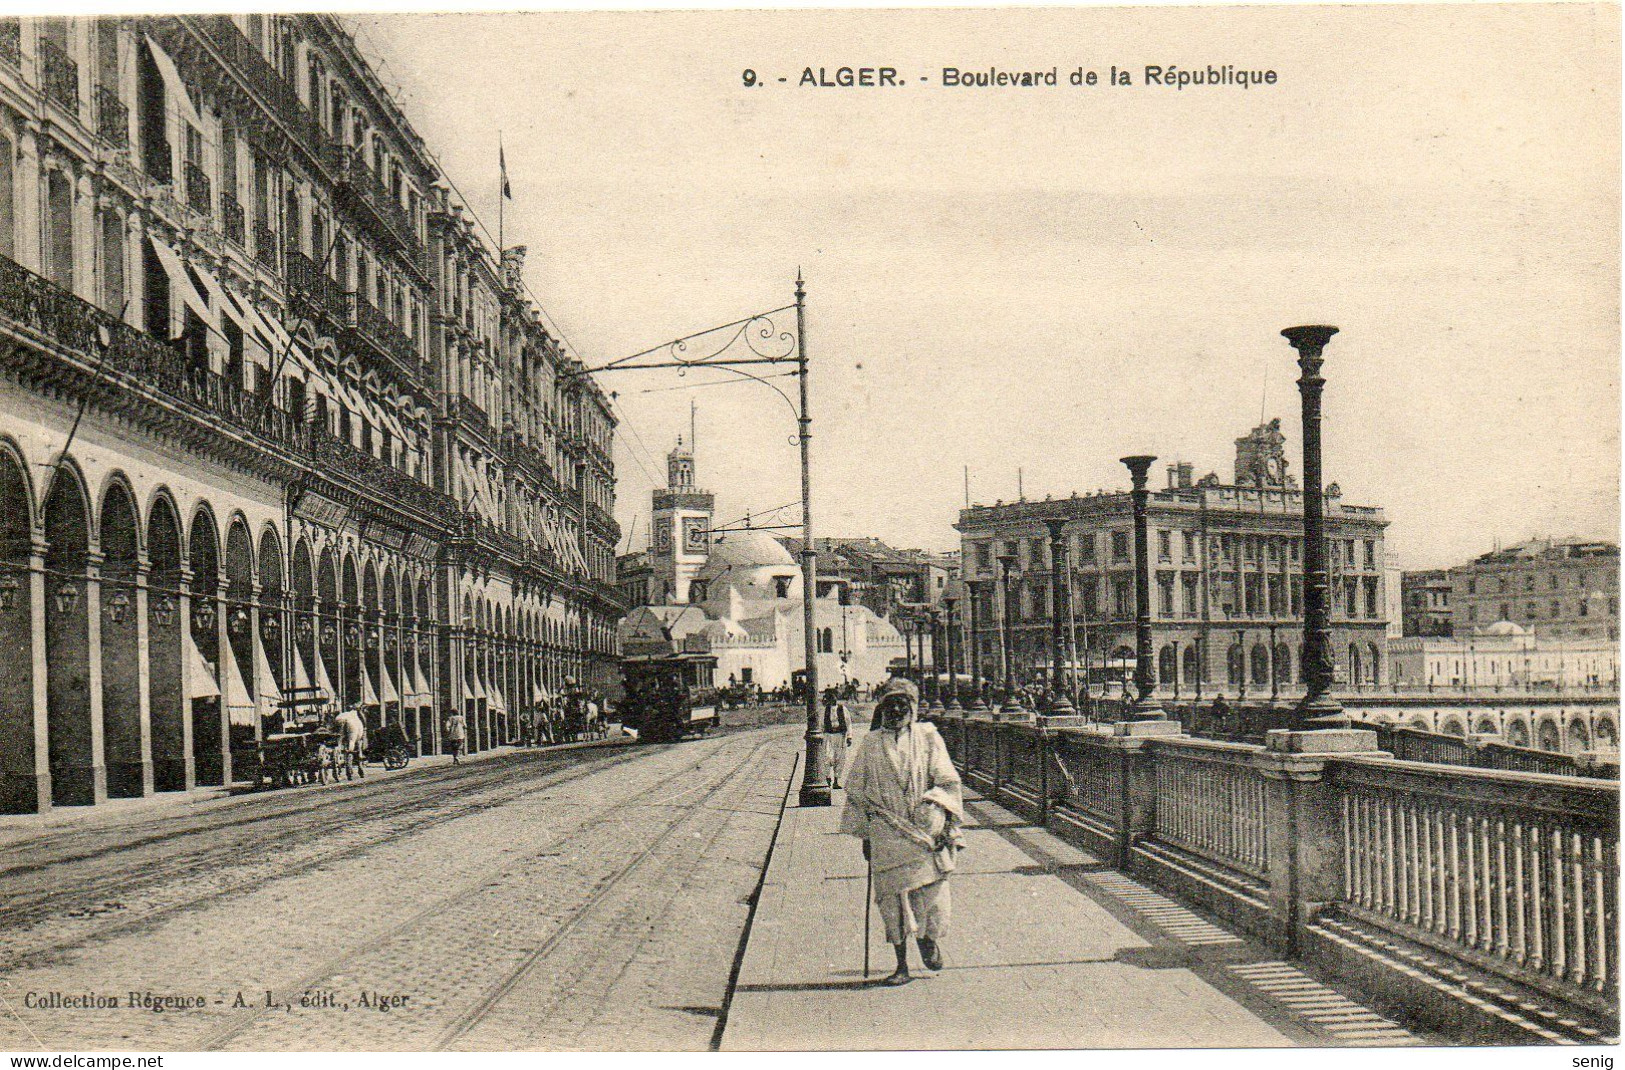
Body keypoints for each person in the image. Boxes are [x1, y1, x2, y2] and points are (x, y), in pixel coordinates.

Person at [840, 677, 964, 986]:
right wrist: (865, 835)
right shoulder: (870, 744)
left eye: (902, 704)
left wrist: (940, 816)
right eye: (890, 704)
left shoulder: (928, 737)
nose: (896, 710)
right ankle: (901, 965)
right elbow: (856, 790)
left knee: (932, 897)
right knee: (890, 902)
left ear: (913, 708)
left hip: (923, 831)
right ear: (881, 708)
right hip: (886, 831)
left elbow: (947, 782)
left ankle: (928, 939)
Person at [821, 688, 852, 789]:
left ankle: (836, 780)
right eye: (830, 697)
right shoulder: (825, 710)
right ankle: (827, 778)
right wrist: (821, 737)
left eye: (834, 696)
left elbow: (848, 723)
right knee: (827, 757)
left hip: (840, 736)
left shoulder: (842, 709)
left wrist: (849, 737)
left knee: (840, 758)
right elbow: (821, 724)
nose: (833, 699)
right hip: (828, 736)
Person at [334, 705, 368, 779]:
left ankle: (339, 767)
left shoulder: (343, 715)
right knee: (352, 744)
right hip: (353, 725)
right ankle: (352, 770)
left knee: (339, 744)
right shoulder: (357, 719)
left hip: (340, 720)